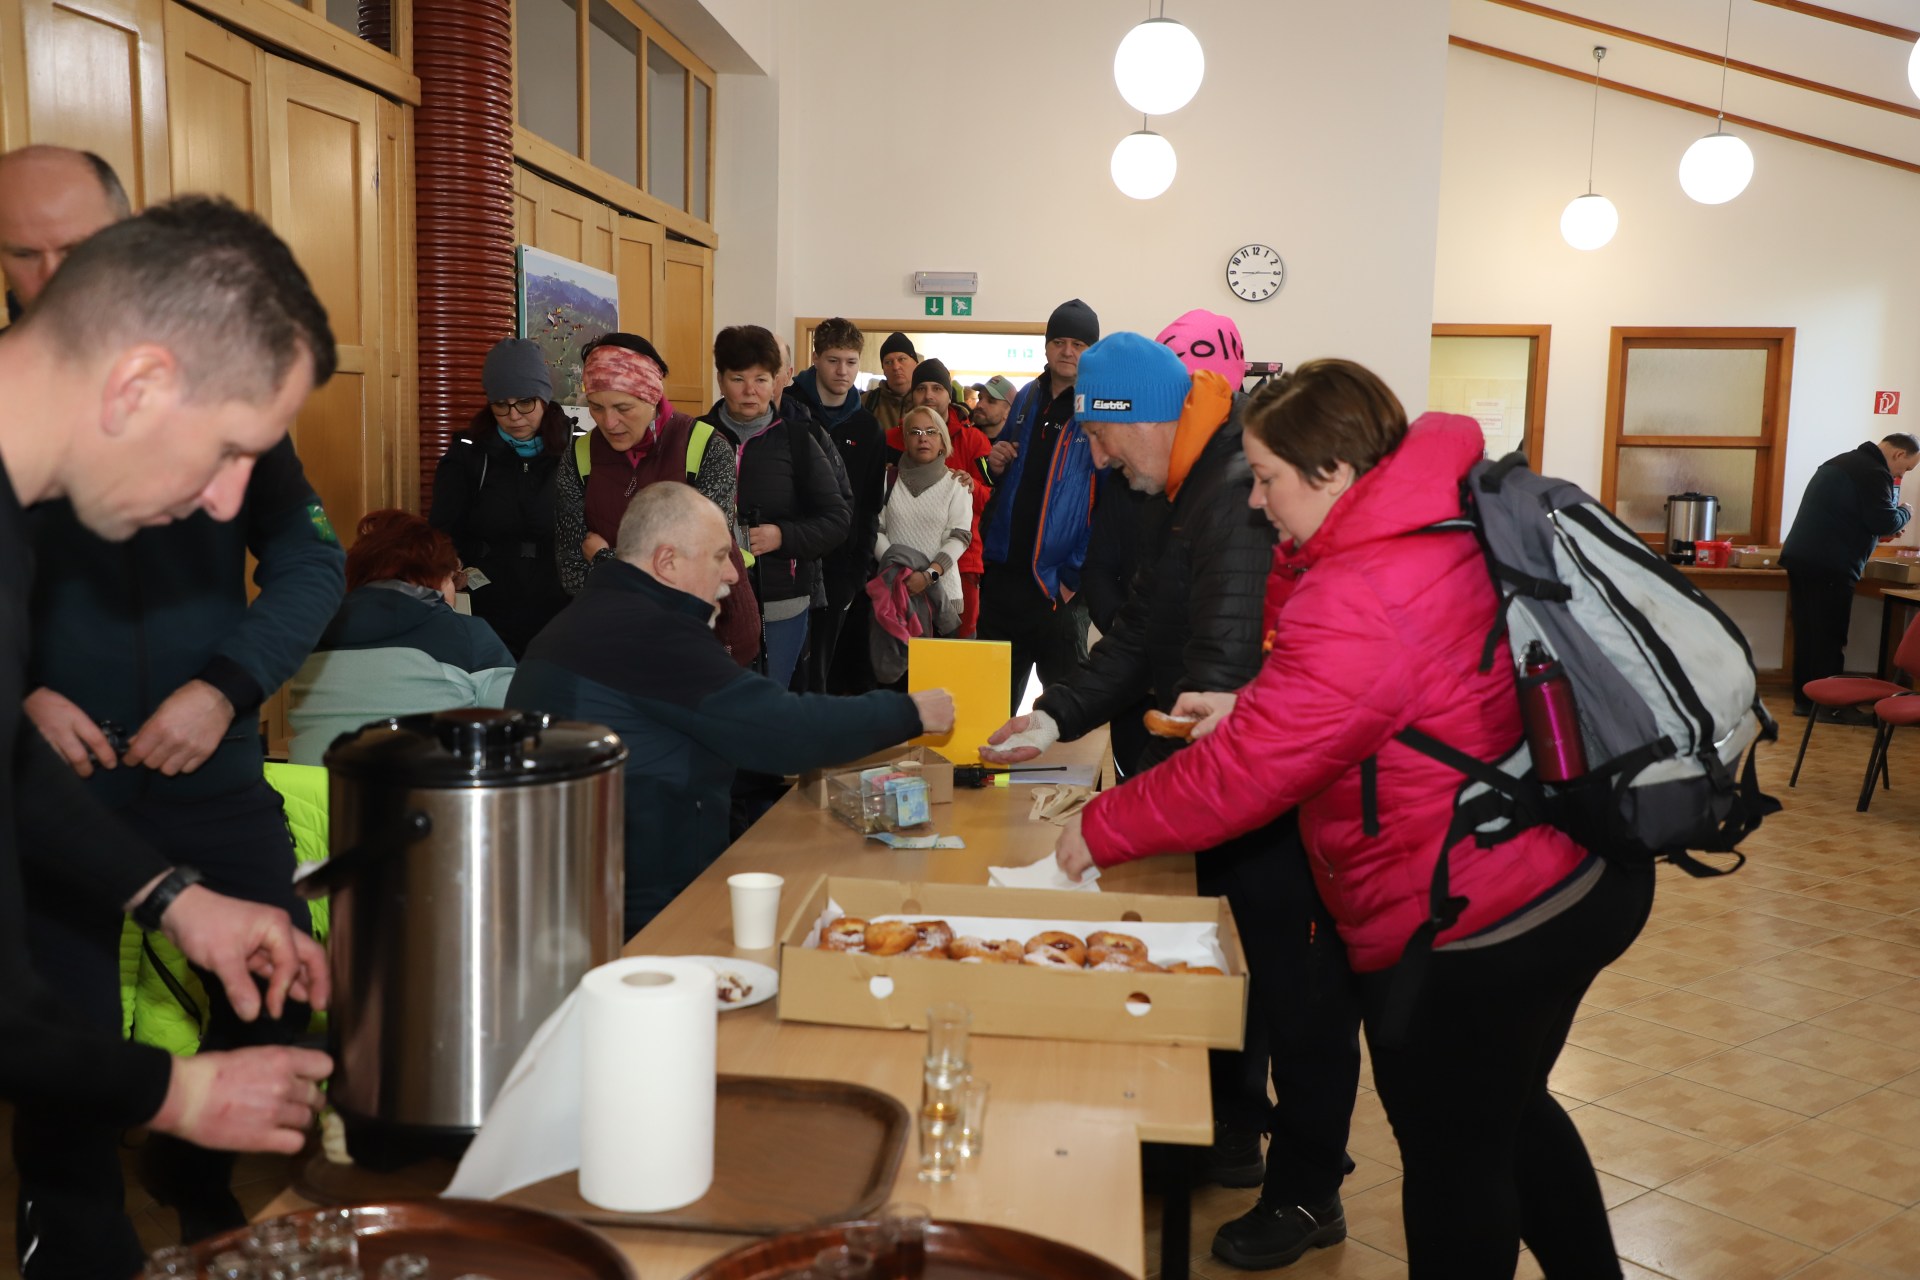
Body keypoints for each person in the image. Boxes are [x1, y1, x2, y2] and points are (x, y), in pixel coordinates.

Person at [1056, 359, 1651, 1276]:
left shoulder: (1364, 584)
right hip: (1560, 867)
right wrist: (1250, 706)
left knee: (1454, 1157)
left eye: (1266, 477)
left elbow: (1248, 775)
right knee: (1507, 1116)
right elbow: (1376, 698)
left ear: (1332, 471)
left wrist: (1101, 827)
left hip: (1483, 906)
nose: (1256, 501)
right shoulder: (1420, 528)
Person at [9, 149, 344, 1251]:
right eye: (223, 455)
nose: (219, 496)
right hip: (69, 788)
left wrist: (171, 897)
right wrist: (25, 698)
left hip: (199, 784)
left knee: (268, 979)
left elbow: (308, 560)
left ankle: (192, 1188)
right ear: (140, 388)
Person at [982, 334, 1360, 1269]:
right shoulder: (1191, 486)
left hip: (1272, 792)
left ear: (1141, 418)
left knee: (1297, 992)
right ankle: (1231, 1133)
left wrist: (1135, 804)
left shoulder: (1228, 491)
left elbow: (1219, 680)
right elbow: (1141, 629)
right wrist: (1053, 715)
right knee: (1242, 966)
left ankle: (1307, 1191)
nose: (1097, 457)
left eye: (1101, 437)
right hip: (1235, 778)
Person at [507, 482, 953, 937]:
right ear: (667, 562)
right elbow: (782, 731)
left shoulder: (592, 618)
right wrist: (911, 711)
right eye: (720, 556)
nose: (733, 575)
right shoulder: (650, 634)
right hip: (636, 912)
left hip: (578, 892)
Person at [553, 332, 760, 667]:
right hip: (618, 641)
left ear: (653, 397)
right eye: (596, 407)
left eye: (623, 408)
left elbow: (696, 563)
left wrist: (605, 560)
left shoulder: (706, 447)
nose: (608, 422)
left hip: (707, 639)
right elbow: (572, 572)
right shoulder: (579, 456)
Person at [287, 510, 517, 765]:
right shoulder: (468, 635)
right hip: (423, 788)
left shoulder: (313, 634)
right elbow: (516, 726)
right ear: (439, 579)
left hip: (316, 788)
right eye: (452, 578)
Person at [703, 324, 851, 689]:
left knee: (765, 700)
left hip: (780, 603)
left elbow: (837, 519)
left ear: (776, 382)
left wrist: (782, 536)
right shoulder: (695, 436)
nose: (750, 390)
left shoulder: (799, 440)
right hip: (705, 597)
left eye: (761, 379)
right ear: (720, 380)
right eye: (738, 379)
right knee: (709, 698)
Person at [980, 298, 1100, 709]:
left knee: (1066, 714)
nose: (1067, 351)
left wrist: (1071, 578)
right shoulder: (1028, 396)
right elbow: (1000, 469)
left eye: (1079, 344)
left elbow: (1105, 502)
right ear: (1046, 346)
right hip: (1004, 578)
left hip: (1057, 588)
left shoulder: (1100, 405)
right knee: (991, 706)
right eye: (1059, 342)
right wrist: (995, 463)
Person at [428, 337, 573, 657]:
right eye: (501, 405)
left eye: (525, 402)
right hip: (490, 607)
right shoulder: (469, 455)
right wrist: (451, 565)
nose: (514, 415)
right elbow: (443, 530)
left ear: (544, 398)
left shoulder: (577, 450)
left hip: (562, 605)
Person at [1781, 433, 1916, 717]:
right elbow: (1884, 520)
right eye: (1906, 468)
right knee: (1829, 637)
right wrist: (1905, 511)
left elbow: (1854, 517)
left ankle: (1805, 701)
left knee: (1808, 635)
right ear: (1898, 454)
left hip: (1802, 557)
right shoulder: (1874, 472)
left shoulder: (1841, 462)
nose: (1901, 475)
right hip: (1831, 564)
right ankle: (1830, 708)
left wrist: (1880, 531)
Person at [791, 318, 887, 694]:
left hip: (840, 568)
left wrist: (857, 573)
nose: (842, 371)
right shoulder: (786, 410)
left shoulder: (868, 428)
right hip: (787, 558)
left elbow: (870, 507)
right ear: (815, 358)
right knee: (784, 669)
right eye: (833, 360)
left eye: (851, 362)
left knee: (822, 673)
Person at [891, 357, 992, 638]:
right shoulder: (893, 439)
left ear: (949, 394)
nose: (929, 395)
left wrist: (972, 486)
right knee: (904, 648)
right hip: (903, 567)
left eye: (937, 388)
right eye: (921, 388)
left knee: (957, 648)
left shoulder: (974, 440)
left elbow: (991, 499)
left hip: (962, 561)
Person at [872, 405, 973, 667]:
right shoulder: (887, 479)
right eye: (915, 432)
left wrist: (928, 576)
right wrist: (902, 571)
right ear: (905, 440)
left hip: (943, 598)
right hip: (896, 591)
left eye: (931, 431)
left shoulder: (957, 484)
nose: (923, 438)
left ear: (943, 441)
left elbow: (959, 538)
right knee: (896, 679)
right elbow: (876, 529)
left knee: (936, 679)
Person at [863, 330, 918, 438]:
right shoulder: (867, 402)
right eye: (888, 362)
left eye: (902, 359)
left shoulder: (927, 400)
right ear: (883, 369)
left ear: (915, 363)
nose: (896, 367)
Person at [970, 375, 1019, 440]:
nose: (979, 405)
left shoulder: (1017, 443)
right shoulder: (965, 438)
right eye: (980, 398)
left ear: (1008, 412)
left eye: (991, 401)